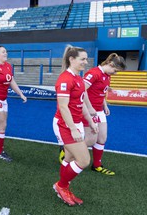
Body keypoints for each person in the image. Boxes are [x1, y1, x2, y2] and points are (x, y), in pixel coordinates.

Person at [52, 45, 98, 206]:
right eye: (82, 59)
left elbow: (81, 103)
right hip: (65, 125)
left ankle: (64, 187)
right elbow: (63, 107)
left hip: (75, 123)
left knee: (70, 158)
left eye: (86, 59)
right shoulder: (65, 79)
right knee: (84, 160)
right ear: (71, 59)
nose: (86, 62)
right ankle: (61, 186)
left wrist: (90, 121)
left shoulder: (78, 78)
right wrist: (73, 129)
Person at [82, 53, 126, 175]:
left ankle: (96, 165)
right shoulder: (94, 73)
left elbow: (102, 92)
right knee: (90, 140)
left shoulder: (107, 75)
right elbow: (82, 90)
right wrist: (90, 108)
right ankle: (67, 149)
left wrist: (105, 106)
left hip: (99, 110)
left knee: (102, 138)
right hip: (88, 110)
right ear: (110, 64)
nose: (115, 73)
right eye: (115, 70)